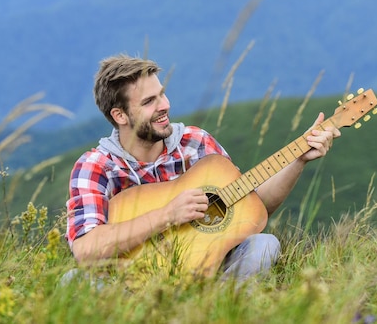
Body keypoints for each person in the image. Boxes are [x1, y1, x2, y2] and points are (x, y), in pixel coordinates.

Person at [65, 54, 340, 282]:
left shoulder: (195, 143)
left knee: (264, 245)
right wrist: (167, 215)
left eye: (161, 95)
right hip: (131, 282)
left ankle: (218, 312)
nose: (165, 106)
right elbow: (86, 249)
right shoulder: (97, 167)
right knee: (74, 281)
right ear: (120, 115)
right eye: (149, 102)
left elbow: (253, 207)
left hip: (208, 272)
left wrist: (299, 159)